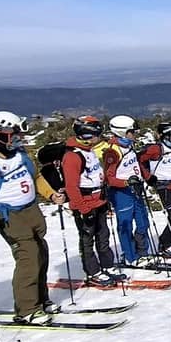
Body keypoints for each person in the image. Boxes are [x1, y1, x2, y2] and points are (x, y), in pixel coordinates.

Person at [0, 110, 67, 323]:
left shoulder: (22, 155)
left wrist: (51, 194)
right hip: (8, 215)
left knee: (41, 252)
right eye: (14, 134)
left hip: (31, 210)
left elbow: (36, 178)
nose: (19, 138)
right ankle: (27, 309)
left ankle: (41, 300)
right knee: (28, 257)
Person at [61, 116, 124, 286]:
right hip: (85, 204)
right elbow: (72, 187)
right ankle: (93, 272)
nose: (99, 137)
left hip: (99, 201)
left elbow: (97, 176)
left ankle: (107, 266)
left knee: (103, 236)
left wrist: (105, 198)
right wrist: (83, 208)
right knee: (87, 240)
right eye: (96, 134)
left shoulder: (89, 151)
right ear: (87, 134)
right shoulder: (73, 156)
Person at [101, 115, 152, 266]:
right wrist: (126, 182)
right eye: (132, 131)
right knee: (125, 225)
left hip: (135, 189)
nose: (135, 134)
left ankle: (143, 251)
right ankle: (131, 257)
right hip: (121, 193)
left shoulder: (128, 146)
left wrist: (145, 177)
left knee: (143, 222)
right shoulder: (113, 152)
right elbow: (109, 178)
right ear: (122, 132)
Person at [139, 122, 171, 256]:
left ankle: (170, 241)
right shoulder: (156, 149)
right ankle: (164, 245)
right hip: (165, 187)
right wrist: (148, 177)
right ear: (166, 137)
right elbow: (139, 160)